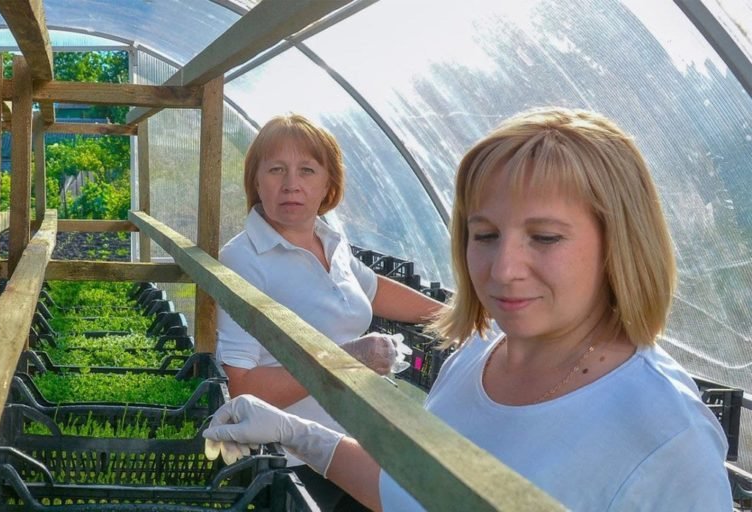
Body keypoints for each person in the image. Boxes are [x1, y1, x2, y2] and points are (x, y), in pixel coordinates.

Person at [206, 107, 733, 511]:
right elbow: (412, 492)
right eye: (484, 234)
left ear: (621, 242)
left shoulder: (667, 435)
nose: (503, 269)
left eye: (545, 237)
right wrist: (294, 431)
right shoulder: (477, 358)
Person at [214, 113, 446, 511]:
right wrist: (347, 360)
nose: (291, 184)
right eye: (276, 170)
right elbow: (243, 387)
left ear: (328, 184)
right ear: (256, 181)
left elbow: (372, 290)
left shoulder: (329, 240)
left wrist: (458, 317)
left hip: (360, 440)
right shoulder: (243, 259)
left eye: (307, 170)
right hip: (296, 462)